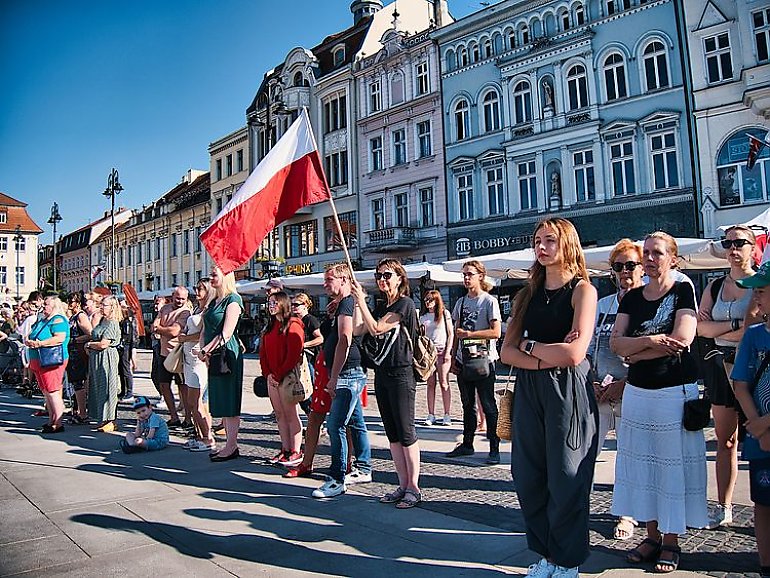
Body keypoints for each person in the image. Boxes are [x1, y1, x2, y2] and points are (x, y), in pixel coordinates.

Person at [500, 217, 598, 578]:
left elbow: (575, 355)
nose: (541, 247)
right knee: (527, 474)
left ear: (567, 243)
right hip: (531, 388)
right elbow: (506, 352)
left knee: (566, 475)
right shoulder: (526, 294)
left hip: (568, 390)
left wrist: (530, 348)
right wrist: (543, 353)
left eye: (550, 240)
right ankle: (545, 554)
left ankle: (567, 559)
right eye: (537, 241)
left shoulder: (582, 291)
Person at [610, 231, 708, 573]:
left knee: (670, 468)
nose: (650, 258)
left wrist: (635, 350)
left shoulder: (683, 290)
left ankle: (670, 540)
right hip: (638, 393)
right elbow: (615, 345)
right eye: (646, 252)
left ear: (672, 259)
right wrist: (651, 341)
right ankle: (650, 535)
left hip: (672, 391)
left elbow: (682, 338)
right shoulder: (632, 298)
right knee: (644, 467)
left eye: (657, 253)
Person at [698, 225, 758, 529]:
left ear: (752, 248)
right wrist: (738, 324)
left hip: (757, 367)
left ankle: (764, 505)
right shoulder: (713, 286)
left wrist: (722, 327)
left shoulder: (761, 283)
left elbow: (755, 331)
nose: (733, 249)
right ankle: (724, 505)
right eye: (728, 243)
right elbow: (700, 329)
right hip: (721, 367)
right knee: (727, 440)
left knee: (763, 437)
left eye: (739, 243)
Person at [352, 258, 421, 509]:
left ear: (400, 278)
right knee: (392, 433)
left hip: (402, 373)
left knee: (406, 431)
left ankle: (414, 487)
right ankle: (402, 485)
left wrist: (361, 300)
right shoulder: (383, 306)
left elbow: (378, 329)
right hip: (382, 372)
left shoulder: (405, 304)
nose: (382, 279)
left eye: (387, 275)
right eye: (379, 275)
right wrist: (357, 301)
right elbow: (361, 329)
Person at [588, 239, 644, 541]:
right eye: (618, 266)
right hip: (600, 393)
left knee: (629, 456)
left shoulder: (649, 304)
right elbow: (588, 346)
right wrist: (592, 381)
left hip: (632, 391)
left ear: (641, 267)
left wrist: (625, 383)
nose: (624, 271)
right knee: (586, 452)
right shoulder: (603, 305)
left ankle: (627, 513)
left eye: (630, 265)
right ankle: (576, 505)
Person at [307, 264, 372, 497]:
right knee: (355, 422)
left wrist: (333, 377)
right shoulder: (342, 304)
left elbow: (344, 339)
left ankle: (336, 478)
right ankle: (364, 466)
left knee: (336, 425)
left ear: (344, 279)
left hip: (347, 373)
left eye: (329, 279)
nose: (325, 284)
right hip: (349, 372)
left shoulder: (347, 302)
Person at [730, 263, 770, 578]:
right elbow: (740, 382)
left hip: (763, 430)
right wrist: (756, 422)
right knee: (763, 503)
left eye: (761, 289)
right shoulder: (754, 336)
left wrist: (764, 424)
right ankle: (765, 564)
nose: (756, 296)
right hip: (760, 437)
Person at [447, 260, 502, 464]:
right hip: (464, 360)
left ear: (480, 275)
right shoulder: (461, 303)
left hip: (484, 360)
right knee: (467, 403)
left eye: (470, 274)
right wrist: (452, 357)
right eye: (464, 275)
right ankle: (467, 443)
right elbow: (455, 333)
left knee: (488, 403)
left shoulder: (488, 301)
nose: (466, 278)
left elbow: (496, 332)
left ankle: (494, 446)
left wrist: (470, 334)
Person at [199, 266, 244, 462]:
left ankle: (232, 445)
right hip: (213, 354)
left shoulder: (233, 300)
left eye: (214, 274)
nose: (211, 278)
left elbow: (226, 333)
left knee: (229, 401)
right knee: (220, 400)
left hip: (227, 355)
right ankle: (228, 445)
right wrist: (203, 350)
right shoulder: (213, 300)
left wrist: (205, 350)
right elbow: (205, 328)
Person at [260, 290, 305, 467]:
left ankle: (295, 450)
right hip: (273, 377)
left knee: (290, 414)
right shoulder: (270, 327)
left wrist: (278, 374)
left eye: (275, 302)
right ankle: (285, 448)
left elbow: (294, 353)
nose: (271, 306)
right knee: (279, 414)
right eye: (269, 303)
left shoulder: (293, 324)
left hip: (286, 377)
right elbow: (263, 352)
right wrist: (268, 373)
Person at [179, 278, 216, 452]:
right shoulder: (196, 308)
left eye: (200, 288)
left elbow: (204, 334)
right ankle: (200, 434)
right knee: (191, 402)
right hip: (188, 356)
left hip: (197, 357)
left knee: (196, 401)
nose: (196, 291)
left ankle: (207, 438)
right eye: (196, 287)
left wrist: (185, 338)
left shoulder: (208, 311)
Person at [25, 295, 70, 434]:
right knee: (46, 392)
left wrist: (39, 343)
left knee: (53, 391)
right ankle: (51, 419)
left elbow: (59, 338)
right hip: (39, 359)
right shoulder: (43, 319)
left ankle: (58, 422)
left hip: (51, 359)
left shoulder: (58, 319)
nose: (43, 306)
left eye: (46, 304)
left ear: (54, 306)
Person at [152, 287, 192, 428]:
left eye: (183, 298)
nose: (180, 301)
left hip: (179, 353)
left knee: (183, 387)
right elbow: (154, 325)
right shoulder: (165, 308)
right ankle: (174, 417)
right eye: (178, 298)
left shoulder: (185, 312)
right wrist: (163, 329)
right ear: (172, 296)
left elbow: (174, 331)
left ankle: (188, 419)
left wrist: (161, 329)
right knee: (164, 385)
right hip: (164, 353)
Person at [86, 295, 123, 433]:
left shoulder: (113, 322)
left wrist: (89, 344)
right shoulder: (102, 320)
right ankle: (102, 418)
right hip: (97, 357)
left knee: (108, 386)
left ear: (112, 307)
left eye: (104, 305)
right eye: (101, 304)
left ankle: (111, 419)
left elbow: (103, 344)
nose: (101, 307)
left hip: (107, 357)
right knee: (98, 386)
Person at [420, 290, 453, 426]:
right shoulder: (423, 316)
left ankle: (447, 414)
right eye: (426, 300)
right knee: (430, 383)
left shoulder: (444, 314)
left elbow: (451, 334)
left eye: (430, 300)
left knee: (444, 383)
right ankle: (431, 413)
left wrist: (448, 351)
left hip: (442, 350)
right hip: (429, 353)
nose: (428, 302)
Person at [292, 292, 322, 415]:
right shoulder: (295, 320)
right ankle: (312, 419)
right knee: (300, 391)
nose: (293, 307)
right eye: (292, 304)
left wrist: (304, 345)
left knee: (307, 390)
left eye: (296, 304)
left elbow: (320, 338)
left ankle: (315, 420)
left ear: (305, 305)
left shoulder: (310, 319)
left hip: (309, 360)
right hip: (300, 360)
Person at [66, 293, 92, 425]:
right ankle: (77, 410)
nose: (70, 303)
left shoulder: (81, 316)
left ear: (78, 302)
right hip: (72, 352)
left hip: (78, 352)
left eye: (72, 301)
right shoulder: (72, 316)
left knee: (78, 382)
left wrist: (74, 340)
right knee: (74, 382)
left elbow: (90, 334)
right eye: (69, 301)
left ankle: (83, 413)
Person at [117, 299, 137, 403]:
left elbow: (128, 335)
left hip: (125, 346)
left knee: (125, 369)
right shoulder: (122, 321)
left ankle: (129, 392)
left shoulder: (127, 321)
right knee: (121, 369)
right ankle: (123, 390)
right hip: (123, 346)